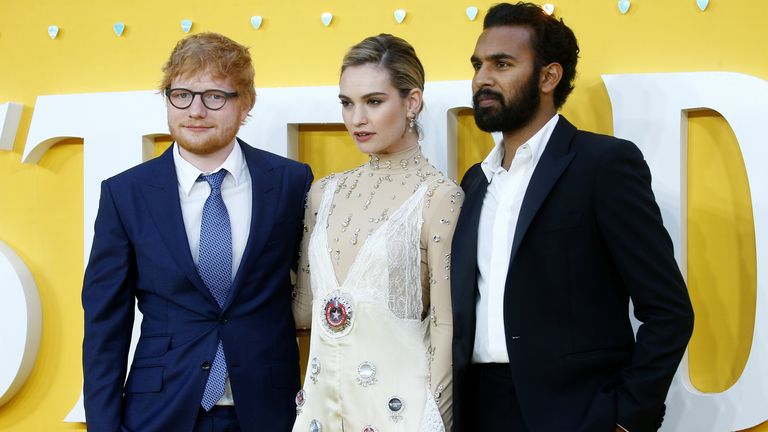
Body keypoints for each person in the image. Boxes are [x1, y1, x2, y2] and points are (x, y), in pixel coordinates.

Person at [450, 3, 695, 432]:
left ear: (549, 76)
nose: (482, 79)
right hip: (479, 409)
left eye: (502, 64)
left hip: (576, 413)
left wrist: (626, 418)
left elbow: (669, 311)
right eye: (478, 65)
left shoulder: (603, 165)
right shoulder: (474, 181)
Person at [82, 32, 312, 432]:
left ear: (246, 103)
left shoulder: (290, 182)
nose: (196, 110)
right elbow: (105, 325)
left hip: (268, 409)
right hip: (160, 411)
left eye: (215, 96)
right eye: (182, 94)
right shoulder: (126, 194)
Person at [292, 34, 463, 432]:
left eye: (373, 101)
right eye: (347, 103)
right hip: (320, 412)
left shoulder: (440, 198)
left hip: (401, 414)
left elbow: (445, 325)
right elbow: (302, 308)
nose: (356, 119)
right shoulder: (323, 193)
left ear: (412, 102)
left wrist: (435, 422)